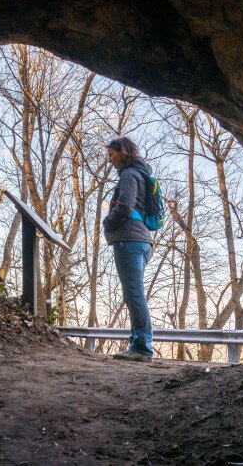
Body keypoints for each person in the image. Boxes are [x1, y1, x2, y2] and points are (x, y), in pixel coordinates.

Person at [103, 137, 154, 362]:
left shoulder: (129, 175)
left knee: (134, 293)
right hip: (141, 240)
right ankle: (138, 343)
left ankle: (142, 347)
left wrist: (107, 222)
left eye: (112, 154)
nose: (110, 159)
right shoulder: (141, 174)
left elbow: (125, 206)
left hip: (129, 240)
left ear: (123, 152)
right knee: (133, 293)